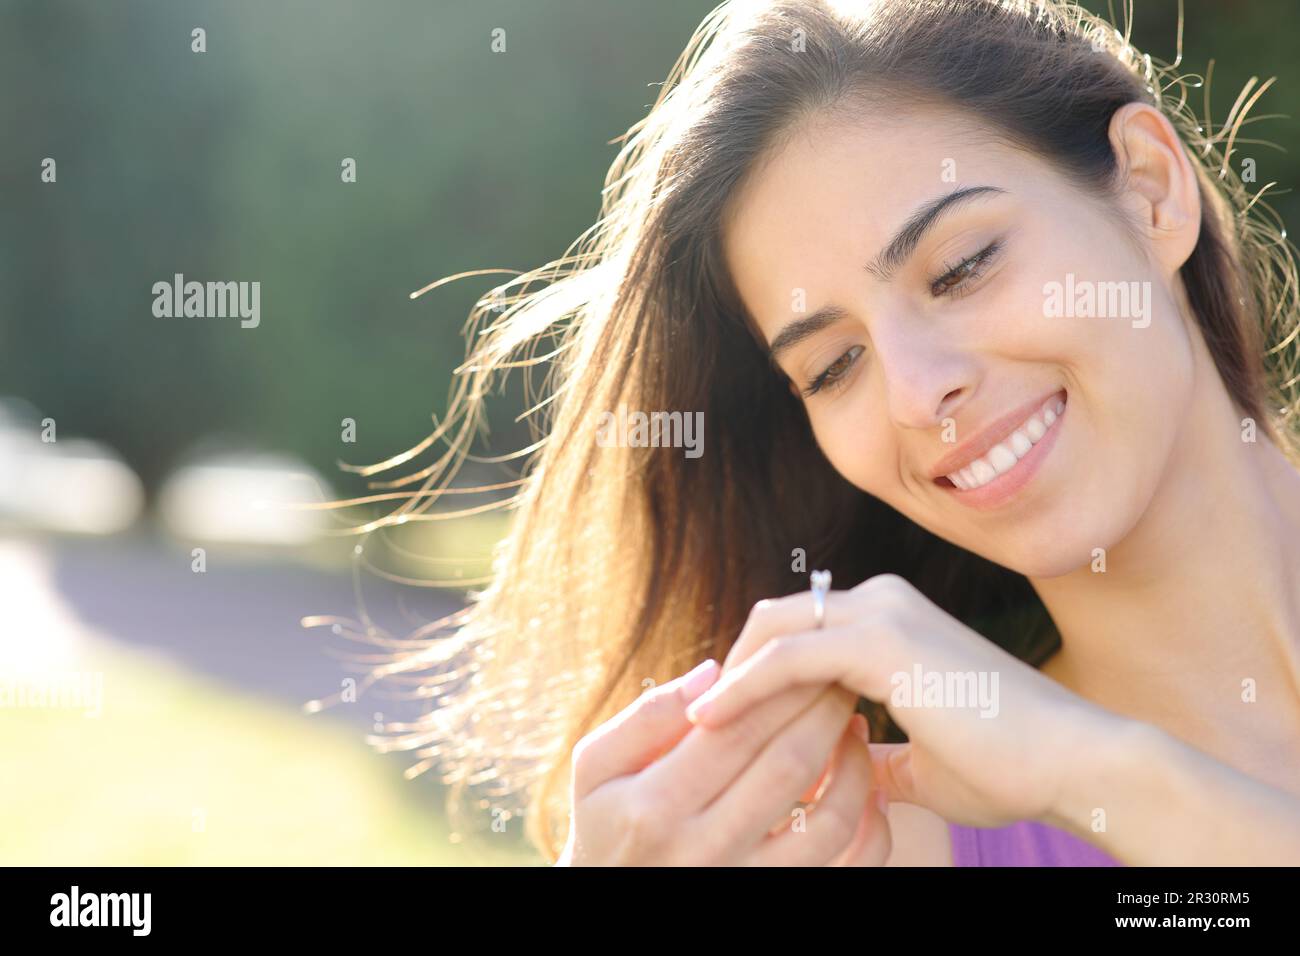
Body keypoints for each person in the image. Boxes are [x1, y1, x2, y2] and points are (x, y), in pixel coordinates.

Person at [358, 0, 1300, 865]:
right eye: (833, 367)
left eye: (963, 266)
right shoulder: (911, 844)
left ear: (1148, 190)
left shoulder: (1056, 776)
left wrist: (1095, 774)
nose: (916, 393)